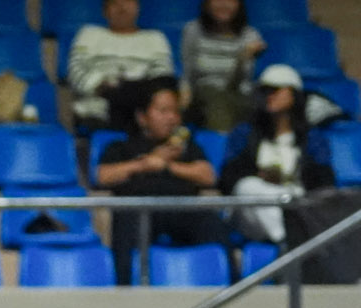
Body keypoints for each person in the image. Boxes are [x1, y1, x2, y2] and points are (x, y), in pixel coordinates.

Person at [93, 85, 226, 285]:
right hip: (138, 211)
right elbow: (102, 176)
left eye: (175, 112)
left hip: (182, 209)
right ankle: (124, 292)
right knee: (125, 224)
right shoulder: (122, 147)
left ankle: (231, 289)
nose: (171, 118)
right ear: (142, 117)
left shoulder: (187, 149)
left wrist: (167, 166)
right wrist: (145, 164)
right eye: (163, 111)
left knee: (215, 226)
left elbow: (207, 175)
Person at [218, 65, 336, 244]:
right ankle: (289, 241)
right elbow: (227, 179)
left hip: (295, 203)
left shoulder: (312, 138)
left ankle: (290, 239)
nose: (269, 95)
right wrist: (260, 176)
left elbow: (325, 182)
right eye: (264, 91)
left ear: (293, 94)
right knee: (248, 187)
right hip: (253, 211)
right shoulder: (245, 133)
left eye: (275, 90)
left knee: (297, 199)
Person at [68, 0, 177, 134]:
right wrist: (103, 86)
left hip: (143, 110)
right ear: (105, 11)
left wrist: (129, 89)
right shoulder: (88, 34)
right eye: (114, 3)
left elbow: (162, 78)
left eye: (128, 2)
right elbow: (75, 72)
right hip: (98, 109)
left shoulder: (155, 39)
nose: (122, 8)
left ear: (137, 7)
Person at [180, 0, 264, 132]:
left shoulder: (250, 35)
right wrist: (185, 92)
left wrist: (242, 59)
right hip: (202, 94)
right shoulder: (193, 30)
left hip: (239, 94)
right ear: (207, 4)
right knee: (214, 97)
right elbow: (187, 71)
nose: (224, 4)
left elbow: (238, 82)